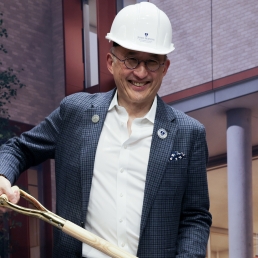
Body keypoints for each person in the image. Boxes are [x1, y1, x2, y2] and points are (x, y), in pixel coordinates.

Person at [0, 2, 212, 258]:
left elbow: (195, 217)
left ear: (165, 68)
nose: (141, 73)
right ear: (111, 62)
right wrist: (2, 176)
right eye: (131, 59)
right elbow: (19, 148)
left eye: (152, 62)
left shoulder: (189, 133)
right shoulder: (75, 113)